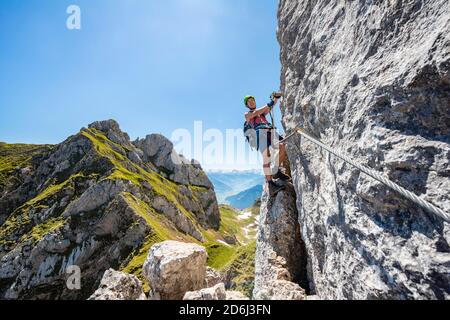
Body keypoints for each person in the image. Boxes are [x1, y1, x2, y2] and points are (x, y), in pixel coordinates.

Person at [243, 94, 290, 193]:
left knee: (282, 146)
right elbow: (257, 112)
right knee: (266, 157)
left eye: (253, 100)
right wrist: (269, 103)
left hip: (270, 132)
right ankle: (270, 184)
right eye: (249, 102)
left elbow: (270, 107)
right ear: (247, 105)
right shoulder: (247, 115)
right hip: (259, 134)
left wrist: (275, 99)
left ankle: (276, 170)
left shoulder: (262, 114)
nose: (252, 102)